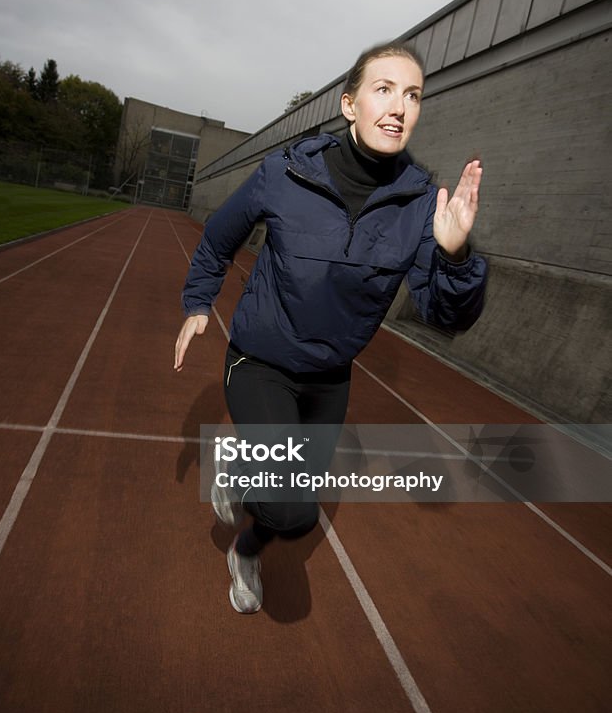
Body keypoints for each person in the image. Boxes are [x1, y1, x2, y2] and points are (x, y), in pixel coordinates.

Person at [174, 41, 487, 614]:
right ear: (349, 105)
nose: (399, 106)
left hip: (329, 377)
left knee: (283, 516)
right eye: (384, 90)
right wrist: (198, 302)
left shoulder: (421, 204)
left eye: (412, 95)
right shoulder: (285, 172)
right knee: (294, 508)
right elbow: (220, 236)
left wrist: (456, 256)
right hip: (261, 359)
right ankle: (245, 469)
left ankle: (245, 547)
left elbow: (445, 317)